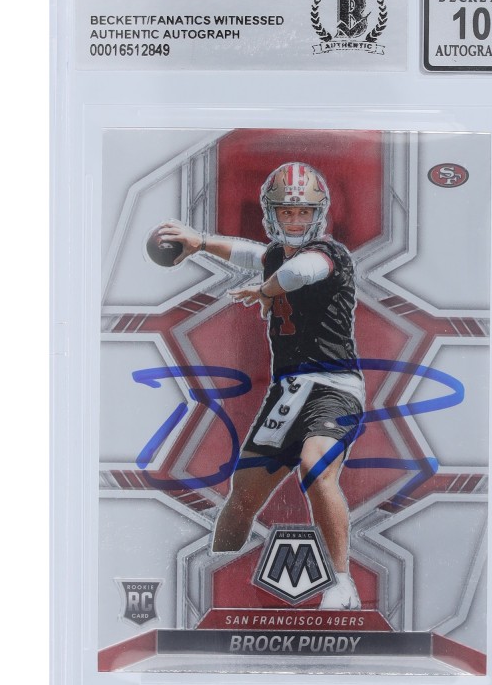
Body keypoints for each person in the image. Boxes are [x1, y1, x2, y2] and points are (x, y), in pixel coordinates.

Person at [156, 162, 363, 610]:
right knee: (242, 497)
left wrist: (267, 291)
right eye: (287, 212)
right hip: (287, 394)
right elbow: (251, 253)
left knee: (315, 466)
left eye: (303, 212)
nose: (295, 220)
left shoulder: (330, 253)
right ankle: (213, 585)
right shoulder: (276, 256)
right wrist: (200, 241)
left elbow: (301, 272)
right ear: (273, 213)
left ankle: (342, 583)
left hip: (334, 388)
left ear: (319, 214)